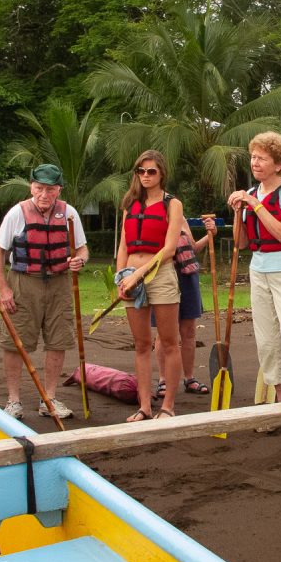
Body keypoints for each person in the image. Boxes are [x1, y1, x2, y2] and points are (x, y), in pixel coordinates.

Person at [227, 132, 281, 446]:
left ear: (278, 164)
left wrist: (254, 204)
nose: (255, 163)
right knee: (267, 344)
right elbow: (241, 242)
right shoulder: (252, 193)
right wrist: (237, 212)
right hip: (260, 271)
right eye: (253, 157)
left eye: (262, 158)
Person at [0, 164, 89, 420]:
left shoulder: (69, 214)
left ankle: (50, 398)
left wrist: (80, 260)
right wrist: (4, 288)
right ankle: (13, 401)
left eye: (50, 189)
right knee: (15, 341)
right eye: (39, 188)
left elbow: (82, 248)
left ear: (59, 189)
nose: (44, 195)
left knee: (58, 340)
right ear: (31, 187)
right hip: (24, 282)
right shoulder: (17, 213)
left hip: (59, 283)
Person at [117, 150, 184, 421]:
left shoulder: (172, 204)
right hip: (130, 274)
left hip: (160, 274)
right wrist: (122, 276)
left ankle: (167, 406)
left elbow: (169, 249)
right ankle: (144, 406)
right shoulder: (129, 204)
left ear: (161, 174)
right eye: (140, 171)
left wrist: (139, 275)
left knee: (169, 342)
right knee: (141, 344)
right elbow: (123, 245)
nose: (145, 176)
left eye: (151, 171)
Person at [153, 217, 217, 399]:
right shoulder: (154, 216)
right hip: (163, 277)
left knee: (189, 331)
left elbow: (193, 248)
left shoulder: (179, 217)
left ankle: (189, 378)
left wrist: (210, 235)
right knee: (164, 332)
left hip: (187, 277)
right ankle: (164, 380)